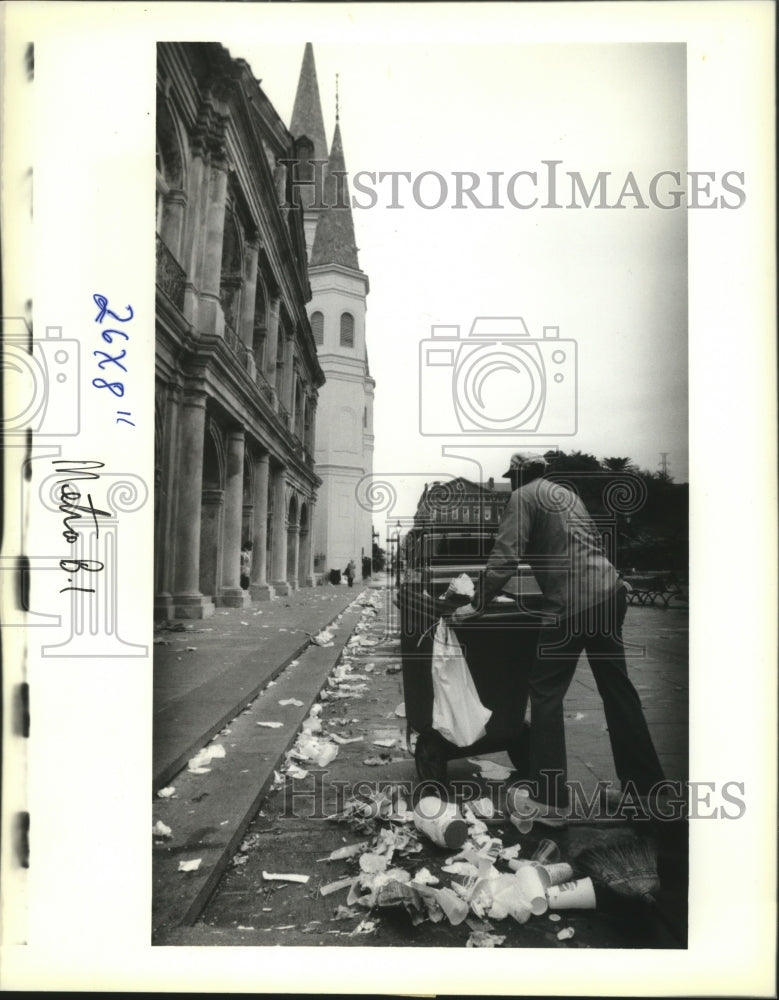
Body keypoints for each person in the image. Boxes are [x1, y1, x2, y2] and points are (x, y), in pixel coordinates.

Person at [453, 452, 664, 825]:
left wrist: (478, 602)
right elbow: (586, 544)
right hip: (609, 592)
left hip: (572, 603)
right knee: (619, 691)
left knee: (546, 690)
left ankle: (550, 799)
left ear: (519, 475)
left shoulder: (523, 496)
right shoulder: (567, 495)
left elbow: (505, 555)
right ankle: (645, 793)